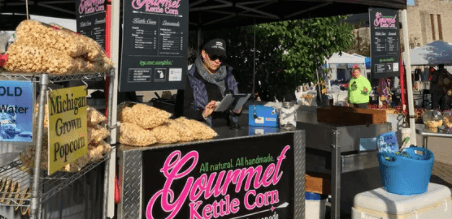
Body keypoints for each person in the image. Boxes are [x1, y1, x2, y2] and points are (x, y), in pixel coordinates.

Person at [183, 38, 240, 127]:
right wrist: (203, 114)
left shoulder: (229, 76)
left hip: (229, 131)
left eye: (221, 58)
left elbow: (237, 104)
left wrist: (238, 108)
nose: (217, 61)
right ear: (203, 54)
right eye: (213, 56)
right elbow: (182, 111)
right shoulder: (191, 78)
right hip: (203, 132)